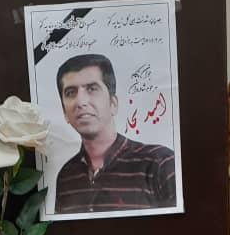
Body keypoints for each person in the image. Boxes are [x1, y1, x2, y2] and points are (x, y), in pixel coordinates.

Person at [54, 54, 176, 214]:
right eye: (71, 92)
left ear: (113, 104)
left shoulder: (160, 163)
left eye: (92, 89)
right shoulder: (66, 176)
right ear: (64, 112)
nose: (81, 102)